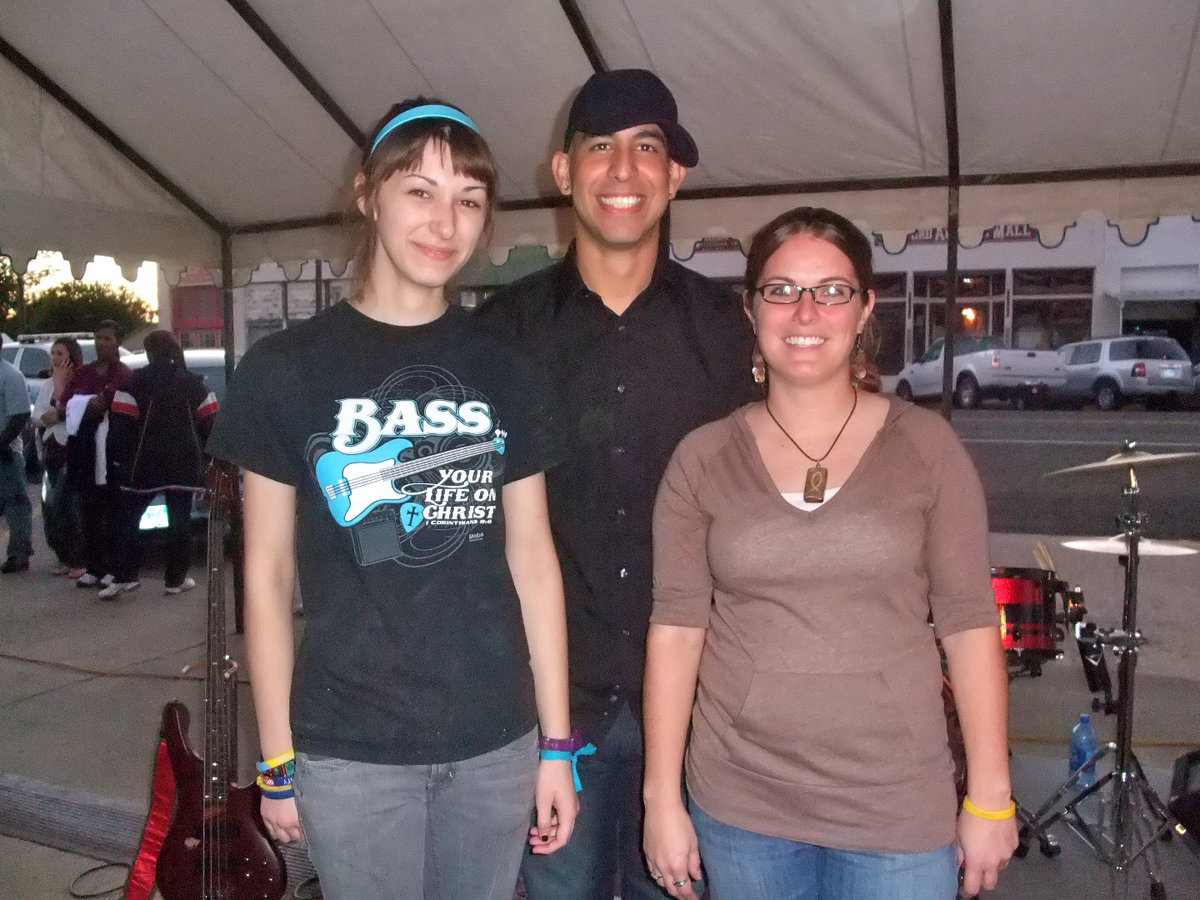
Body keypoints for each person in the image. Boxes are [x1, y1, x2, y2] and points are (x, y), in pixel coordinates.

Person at [206, 98, 577, 900]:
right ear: (368, 194)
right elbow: (265, 578)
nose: (445, 222)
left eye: (469, 200)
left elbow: (534, 560)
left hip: (495, 743)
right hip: (350, 749)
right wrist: (274, 760)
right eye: (419, 190)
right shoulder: (285, 370)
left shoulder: (508, 365)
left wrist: (557, 745)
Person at [642, 206, 1018, 900]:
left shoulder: (928, 449)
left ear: (865, 306)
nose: (805, 311)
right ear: (752, 312)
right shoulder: (703, 459)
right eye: (781, 290)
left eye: (832, 290)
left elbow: (969, 626)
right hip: (742, 805)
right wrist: (661, 801)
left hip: (897, 806)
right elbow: (676, 632)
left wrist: (991, 795)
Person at [476, 69, 755, 899]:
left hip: (705, 711)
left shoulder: (731, 328)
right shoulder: (502, 335)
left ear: (675, 177)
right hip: (554, 714)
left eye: (647, 149)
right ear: (563, 173)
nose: (623, 171)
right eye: (600, 147)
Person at [104, 330, 218, 599]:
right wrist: (208, 458)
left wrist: (116, 462)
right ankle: (175, 580)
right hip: (185, 465)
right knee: (180, 522)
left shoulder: (132, 384)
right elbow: (211, 424)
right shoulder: (195, 383)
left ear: (147, 351)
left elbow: (119, 428)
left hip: (142, 466)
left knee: (129, 519)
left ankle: (124, 576)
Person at [60, 319, 133, 589]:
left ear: (118, 343)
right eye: (98, 338)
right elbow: (67, 402)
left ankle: (115, 568)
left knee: (112, 511)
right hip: (85, 448)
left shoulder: (123, 374)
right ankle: (93, 567)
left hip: (112, 448)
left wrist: (98, 404)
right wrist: (84, 404)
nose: (101, 343)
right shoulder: (83, 374)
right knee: (88, 509)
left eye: (107, 339)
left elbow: (113, 404)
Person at [32, 336, 86, 577]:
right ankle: (64, 556)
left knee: (64, 503)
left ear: (71, 357)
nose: (55, 358)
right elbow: (39, 415)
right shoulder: (46, 385)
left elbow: (70, 413)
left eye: (60, 353)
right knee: (51, 506)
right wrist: (54, 414)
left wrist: (57, 409)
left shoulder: (79, 381)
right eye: (53, 353)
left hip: (71, 449)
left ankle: (78, 559)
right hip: (51, 448)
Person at [0, 333, 34, 574]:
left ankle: (19, 555)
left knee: (16, 504)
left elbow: (21, 414)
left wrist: (2, 445)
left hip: (6, 452)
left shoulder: (10, 376)